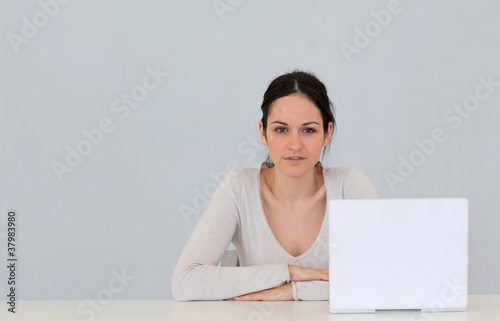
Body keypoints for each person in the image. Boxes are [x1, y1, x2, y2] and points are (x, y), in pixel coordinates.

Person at [171, 70, 378, 301]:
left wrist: (295, 290)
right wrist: (288, 272)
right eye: (281, 129)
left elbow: (387, 277)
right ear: (263, 132)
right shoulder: (238, 188)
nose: (295, 145)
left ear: (327, 133)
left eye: (308, 130)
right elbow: (185, 282)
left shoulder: (349, 187)